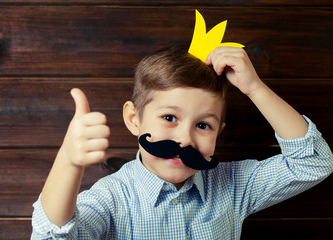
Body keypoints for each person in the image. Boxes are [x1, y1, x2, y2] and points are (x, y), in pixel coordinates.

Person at [31, 45, 333, 239]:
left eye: (203, 125)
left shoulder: (234, 186)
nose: (184, 139)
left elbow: (314, 162)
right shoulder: (112, 199)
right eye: (169, 118)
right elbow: (51, 236)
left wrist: (255, 89)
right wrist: (69, 162)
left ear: (218, 132)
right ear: (134, 119)